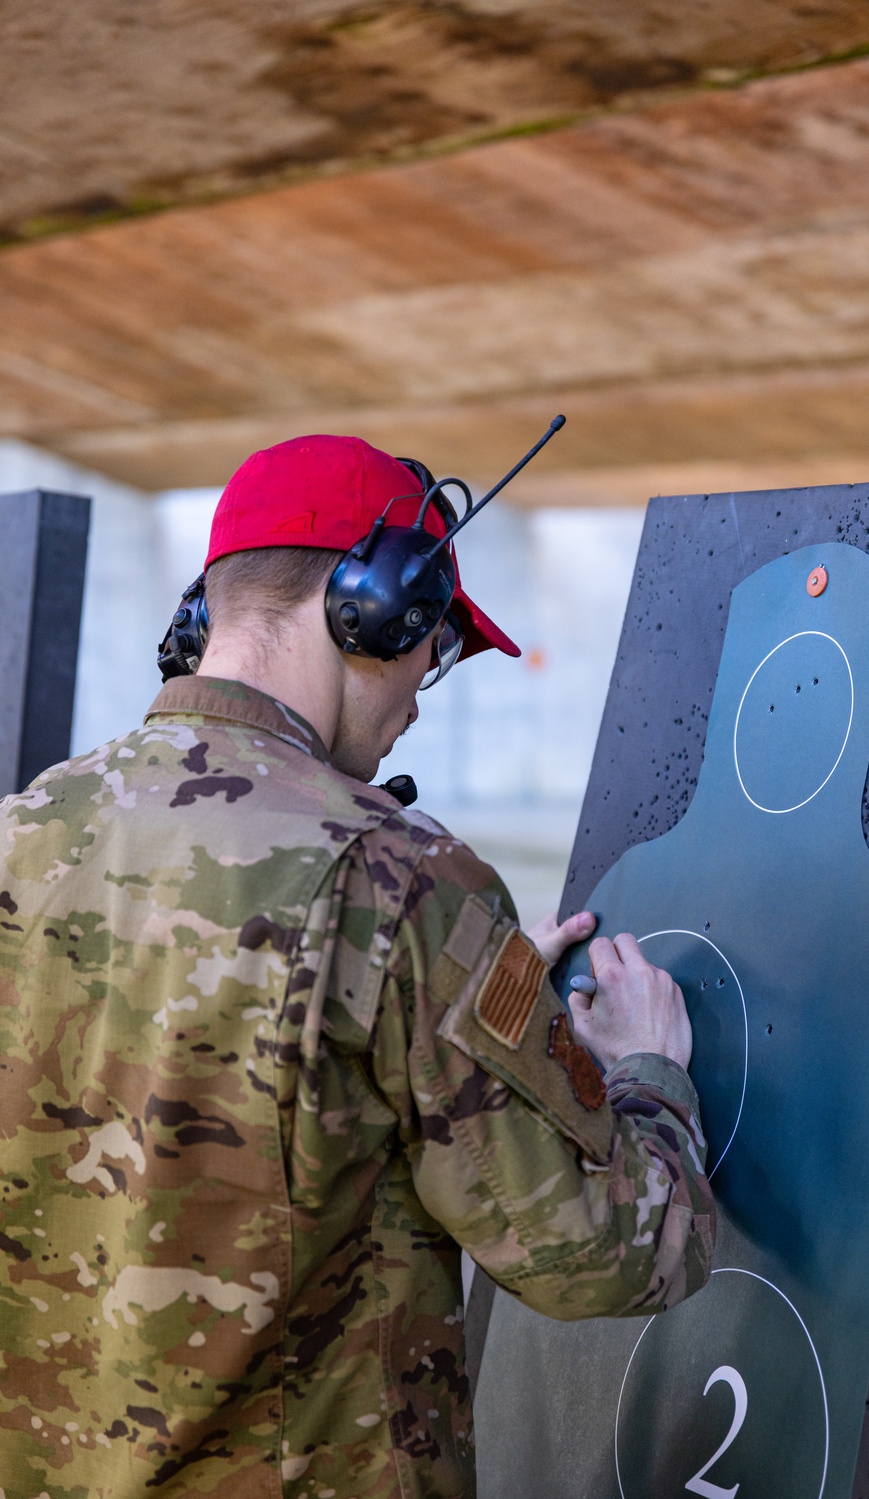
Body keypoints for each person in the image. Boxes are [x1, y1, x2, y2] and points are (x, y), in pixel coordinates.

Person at [0, 434, 715, 1498]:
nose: (427, 684)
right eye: (437, 644)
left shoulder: (25, 829)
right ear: (378, 605)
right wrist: (645, 1073)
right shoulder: (400, 879)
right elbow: (605, 1248)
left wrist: (489, 997)